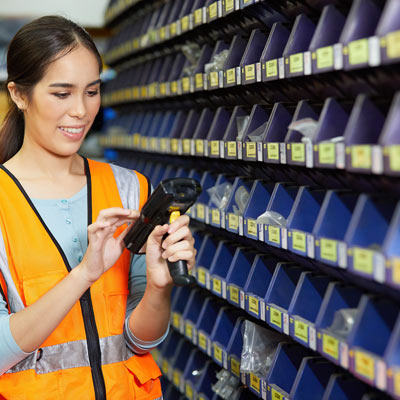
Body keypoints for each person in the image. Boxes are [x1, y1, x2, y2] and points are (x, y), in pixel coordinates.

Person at [0, 15, 196, 399]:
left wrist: (158, 287)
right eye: (62, 94)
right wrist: (84, 274)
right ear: (20, 95)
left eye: (92, 91)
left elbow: (141, 342)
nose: (81, 111)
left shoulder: (129, 187)